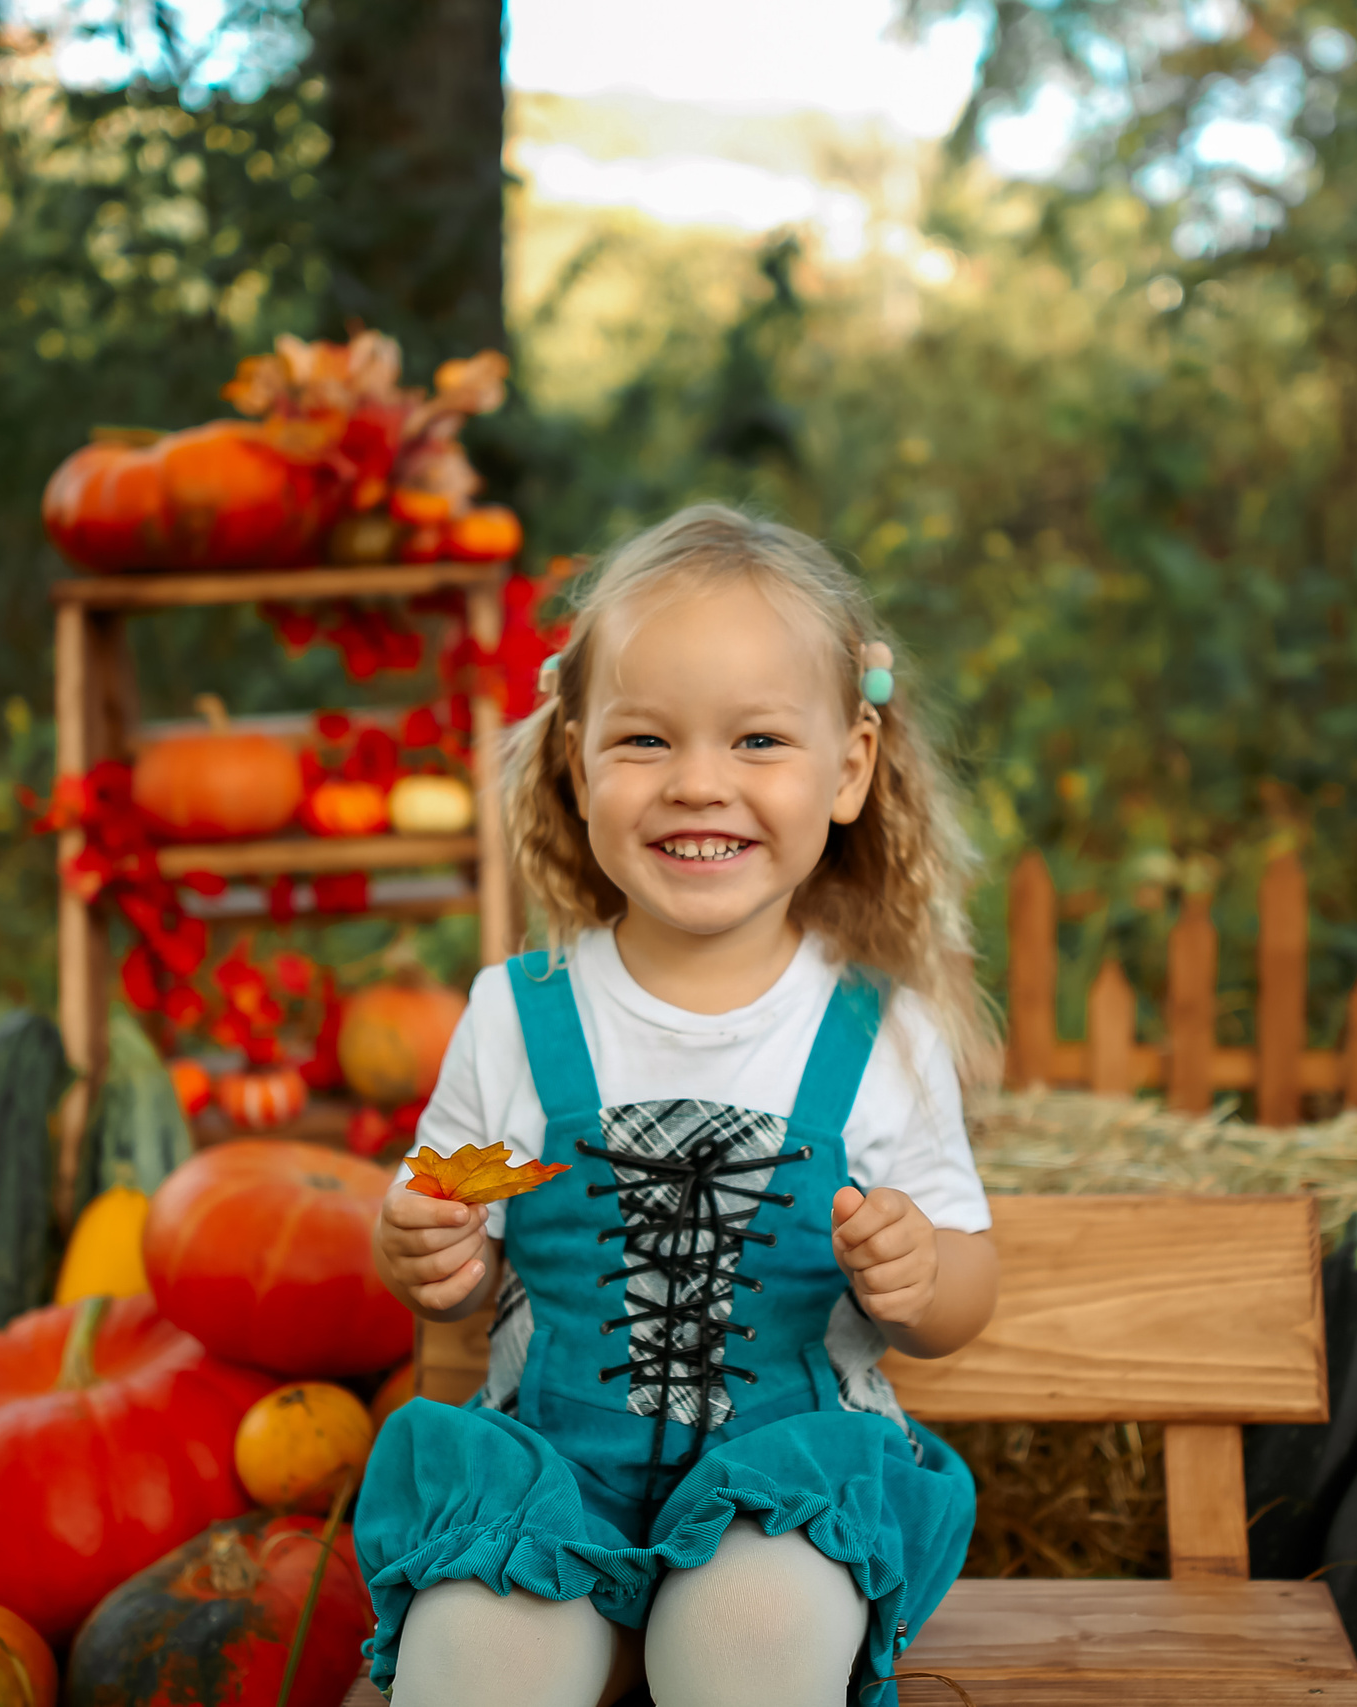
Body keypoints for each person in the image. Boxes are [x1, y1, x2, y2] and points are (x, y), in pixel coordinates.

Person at [358, 504, 1000, 1707]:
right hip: (550, 1482)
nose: (698, 785)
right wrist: (421, 1244)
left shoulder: (877, 1036)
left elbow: (962, 1287)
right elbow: (441, 1216)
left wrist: (921, 1277)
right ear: (575, 758)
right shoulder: (518, 1015)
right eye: (645, 741)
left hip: (784, 1493)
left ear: (850, 765)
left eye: (758, 740)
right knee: (469, 1666)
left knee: (750, 1643)